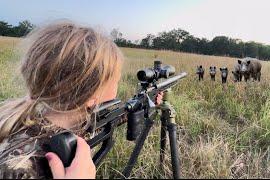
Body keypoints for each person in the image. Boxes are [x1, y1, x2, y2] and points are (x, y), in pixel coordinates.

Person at [0, 22, 163, 179]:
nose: (117, 85)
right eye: (116, 81)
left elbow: (108, 119)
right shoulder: (18, 167)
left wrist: (147, 103)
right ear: (91, 95)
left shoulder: (67, 116)